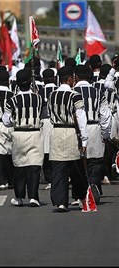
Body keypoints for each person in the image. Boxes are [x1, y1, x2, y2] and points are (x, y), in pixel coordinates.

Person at [48, 66, 89, 212]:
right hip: (71, 132)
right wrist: (84, 140)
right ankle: (80, 197)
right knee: (75, 168)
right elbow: (81, 118)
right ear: (70, 79)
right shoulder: (75, 95)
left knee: (58, 169)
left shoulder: (52, 95)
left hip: (56, 133)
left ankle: (60, 202)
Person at [3, 69, 44, 207]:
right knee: (34, 166)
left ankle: (19, 197)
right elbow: (43, 113)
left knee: (19, 166)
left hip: (19, 133)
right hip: (35, 133)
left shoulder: (12, 100)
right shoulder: (38, 98)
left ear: (18, 84)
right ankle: (34, 197)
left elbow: (6, 120)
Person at [73, 65, 111, 202]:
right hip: (95, 127)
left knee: (77, 164)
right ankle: (94, 189)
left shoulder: (72, 92)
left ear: (75, 77)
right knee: (94, 163)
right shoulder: (98, 92)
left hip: (76, 130)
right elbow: (105, 116)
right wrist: (105, 134)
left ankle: (79, 195)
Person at [39, 69, 58, 190]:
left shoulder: (40, 92)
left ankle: (49, 177)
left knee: (46, 151)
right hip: (58, 122)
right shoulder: (58, 90)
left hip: (44, 121)